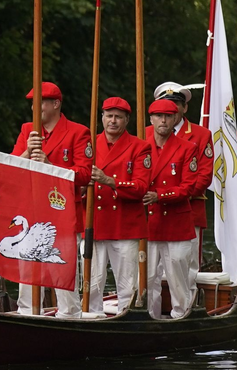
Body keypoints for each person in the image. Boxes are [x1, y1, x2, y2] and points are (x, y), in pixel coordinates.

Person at [11, 82, 92, 318]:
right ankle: (26, 314)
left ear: (56, 104)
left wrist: (49, 166)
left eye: (40, 103)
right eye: (33, 104)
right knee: (27, 271)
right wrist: (26, 152)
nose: (35, 109)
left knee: (62, 271)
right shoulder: (28, 130)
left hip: (62, 213)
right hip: (31, 210)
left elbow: (85, 175)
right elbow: (11, 168)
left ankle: (69, 316)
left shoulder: (78, 132)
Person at [88, 97, 151, 314]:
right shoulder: (89, 143)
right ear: (102, 118)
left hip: (124, 225)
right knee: (92, 282)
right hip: (94, 223)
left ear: (126, 120)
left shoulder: (140, 147)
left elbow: (141, 187)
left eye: (118, 117)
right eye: (109, 116)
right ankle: (91, 319)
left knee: (127, 284)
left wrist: (110, 181)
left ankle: (127, 318)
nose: (112, 121)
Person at [143, 98, 200, 319]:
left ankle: (181, 315)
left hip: (176, 222)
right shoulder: (141, 146)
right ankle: (150, 317)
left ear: (175, 118)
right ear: (151, 119)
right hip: (148, 222)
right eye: (158, 116)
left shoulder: (187, 148)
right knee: (147, 277)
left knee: (178, 275)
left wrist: (159, 196)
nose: (163, 120)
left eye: (168, 116)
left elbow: (188, 187)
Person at [150, 82, 214, 267]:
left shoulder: (201, 135)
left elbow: (203, 176)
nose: (171, 108)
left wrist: (172, 195)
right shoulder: (144, 134)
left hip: (188, 210)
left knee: (187, 267)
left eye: (176, 104)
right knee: (150, 270)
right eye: (165, 103)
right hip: (152, 213)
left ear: (184, 108)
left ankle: (189, 297)